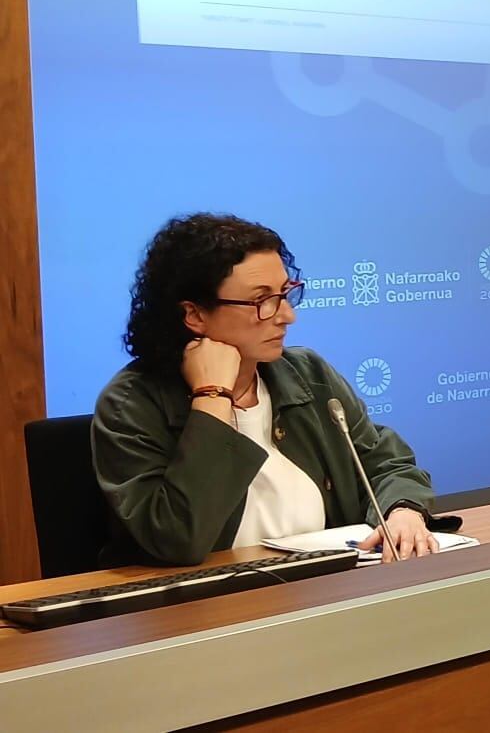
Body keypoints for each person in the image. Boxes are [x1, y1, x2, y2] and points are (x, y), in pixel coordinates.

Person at [93, 213, 443, 566]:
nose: (287, 315)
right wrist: (212, 396)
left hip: (325, 586)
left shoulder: (307, 373)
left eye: (285, 294)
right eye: (261, 300)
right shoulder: (130, 405)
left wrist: (403, 511)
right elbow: (179, 539)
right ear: (194, 315)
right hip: (206, 596)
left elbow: (385, 463)